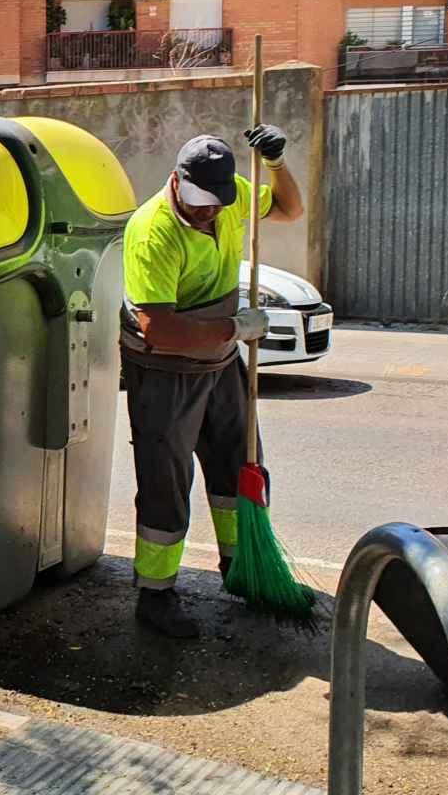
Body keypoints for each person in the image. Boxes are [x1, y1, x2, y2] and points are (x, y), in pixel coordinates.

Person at [120, 126, 302, 638]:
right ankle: (154, 596)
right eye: (201, 204)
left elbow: (289, 210)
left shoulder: (230, 196)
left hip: (219, 363)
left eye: (217, 205)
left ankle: (243, 570)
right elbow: (160, 327)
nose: (210, 214)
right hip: (164, 370)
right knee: (165, 482)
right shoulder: (151, 231)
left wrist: (275, 161)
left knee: (240, 465)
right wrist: (234, 327)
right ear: (177, 182)